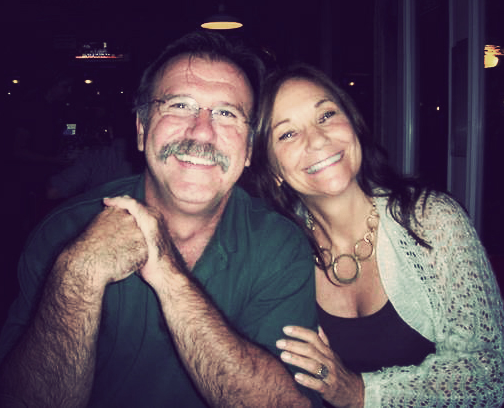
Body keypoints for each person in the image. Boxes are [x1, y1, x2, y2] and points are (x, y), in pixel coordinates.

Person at [0, 33, 322, 407]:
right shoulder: (63, 232)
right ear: (141, 130)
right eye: (180, 105)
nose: (202, 132)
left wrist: (168, 275)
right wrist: (79, 275)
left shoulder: (280, 245)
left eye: (227, 113)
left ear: (249, 149)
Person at [251, 63, 504, 407]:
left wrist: (361, 393)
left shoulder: (431, 221)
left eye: (326, 115)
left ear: (353, 124)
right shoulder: (277, 249)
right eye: (287, 134)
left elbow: (491, 374)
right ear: (273, 171)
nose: (318, 139)